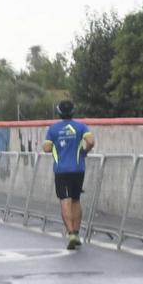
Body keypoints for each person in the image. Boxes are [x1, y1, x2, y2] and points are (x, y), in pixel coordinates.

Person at [44, 101, 94, 249]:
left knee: (65, 200)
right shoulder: (81, 126)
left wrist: (55, 146)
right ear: (73, 112)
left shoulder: (53, 129)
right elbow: (91, 141)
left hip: (61, 170)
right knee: (76, 200)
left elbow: (47, 148)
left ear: (59, 112)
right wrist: (84, 151)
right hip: (78, 168)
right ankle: (77, 233)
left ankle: (71, 233)